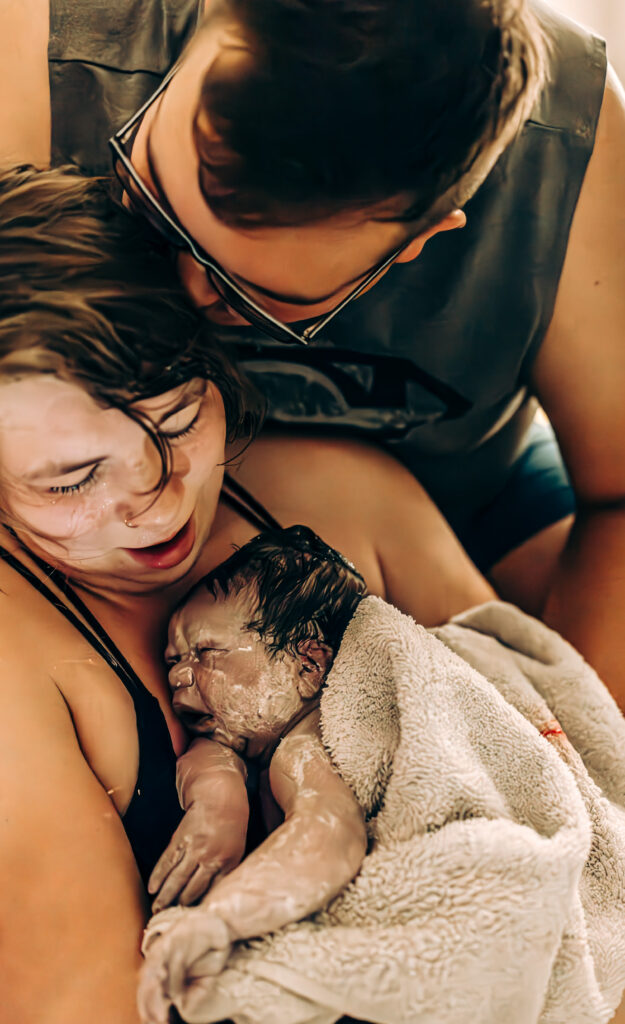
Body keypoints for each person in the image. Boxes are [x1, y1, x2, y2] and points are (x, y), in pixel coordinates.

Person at [3, 0, 623, 711]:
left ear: (420, 238)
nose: (181, 295)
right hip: (98, 497)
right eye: (153, 204)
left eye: (250, 295)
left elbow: (616, 497)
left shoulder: (572, 142)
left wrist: (578, 764)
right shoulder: (29, 44)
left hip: (468, 494)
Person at [0, 164, 494, 1024]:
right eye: (70, 481)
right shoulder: (16, 663)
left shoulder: (350, 500)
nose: (154, 501)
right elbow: (89, 1006)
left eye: (181, 420)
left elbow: (546, 746)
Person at [138, 527, 370, 1024]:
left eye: (206, 652)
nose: (179, 675)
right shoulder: (258, 733)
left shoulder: (306, 747)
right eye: (174, 660)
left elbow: (330, 833)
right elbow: (213, 750)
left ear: (308, 666)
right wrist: (220, 796)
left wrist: (222, 920)